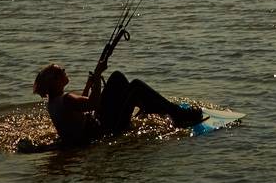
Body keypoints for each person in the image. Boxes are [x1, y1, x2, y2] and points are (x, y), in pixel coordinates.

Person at [32, 61, 203, 145]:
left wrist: (89, 85)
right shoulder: (67, 99)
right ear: (55, 81)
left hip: (95, 127)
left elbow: (81, 108)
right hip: (106, 129)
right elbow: (93, 104)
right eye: (61, 71)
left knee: (117, 77)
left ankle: (148, 106)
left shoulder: (55, 102)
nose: (64, 70)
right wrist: (98, 76)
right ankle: (179, 115)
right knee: (135, 85)